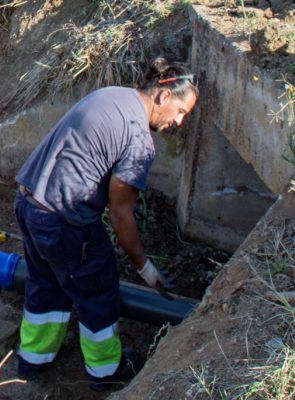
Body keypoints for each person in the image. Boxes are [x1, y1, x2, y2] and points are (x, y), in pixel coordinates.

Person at [12, 57, 198, 391]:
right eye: (182, 112)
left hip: (28, 203)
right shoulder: (139, 140)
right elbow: (120, 215)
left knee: (46, 282)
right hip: (64, 220)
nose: (179, 122)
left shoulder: (112, 94)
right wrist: (144, 267)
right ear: (164, 97)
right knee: (97, 288)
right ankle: (105, 370)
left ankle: (35, 358)